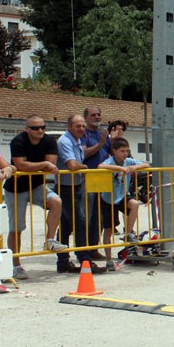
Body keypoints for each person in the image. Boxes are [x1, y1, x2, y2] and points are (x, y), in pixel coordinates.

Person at [4, 115, 69, 278]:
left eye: (42, 127)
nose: (40, 130)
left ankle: (50, 240)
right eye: (35, 128)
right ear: (27, 129)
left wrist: (42, 165)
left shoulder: (49, 141)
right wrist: (44, 164)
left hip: (37, 185)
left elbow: (51, 164)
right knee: (16, 228)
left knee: (56, 201)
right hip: (16, 188)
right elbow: (20, 165)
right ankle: (16, 264)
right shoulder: (18, 141)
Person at [57, 114, 105, 273]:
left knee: (65, 226)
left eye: (83, 126)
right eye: (77, 126)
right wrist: (85, 168)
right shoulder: (64, 141)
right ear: (69, 126)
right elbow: (71, 165)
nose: (81, 129)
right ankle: (85, 260)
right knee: (80, 222)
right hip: (66, 187)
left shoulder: (76, 141)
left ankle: (63, 261)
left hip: (76, 186)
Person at [98, 138, 150, 271]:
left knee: (134, 204)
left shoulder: (129, 161)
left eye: (127, 151)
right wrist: (120, 168)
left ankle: (128, 232)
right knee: (108, 230)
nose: (125, 154)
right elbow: (100, 167)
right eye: (122, 151)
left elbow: (146, 165)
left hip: (122, 196)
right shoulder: (110, 161)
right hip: (108, 198)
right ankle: (109, 259)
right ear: (114, 151)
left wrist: (134, 167)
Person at [81, 106, 108, 262]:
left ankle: (94, 248)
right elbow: (83, 153)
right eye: (93, 115)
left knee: (99, 217)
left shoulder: (102, 134)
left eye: (99, 114)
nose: (97, 117)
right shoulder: (83, 134)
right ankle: (83, 250)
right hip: (87, 179)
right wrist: (100, 144)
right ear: (86, 117)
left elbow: (110, 152)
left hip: (102, 180)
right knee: (87, 216)